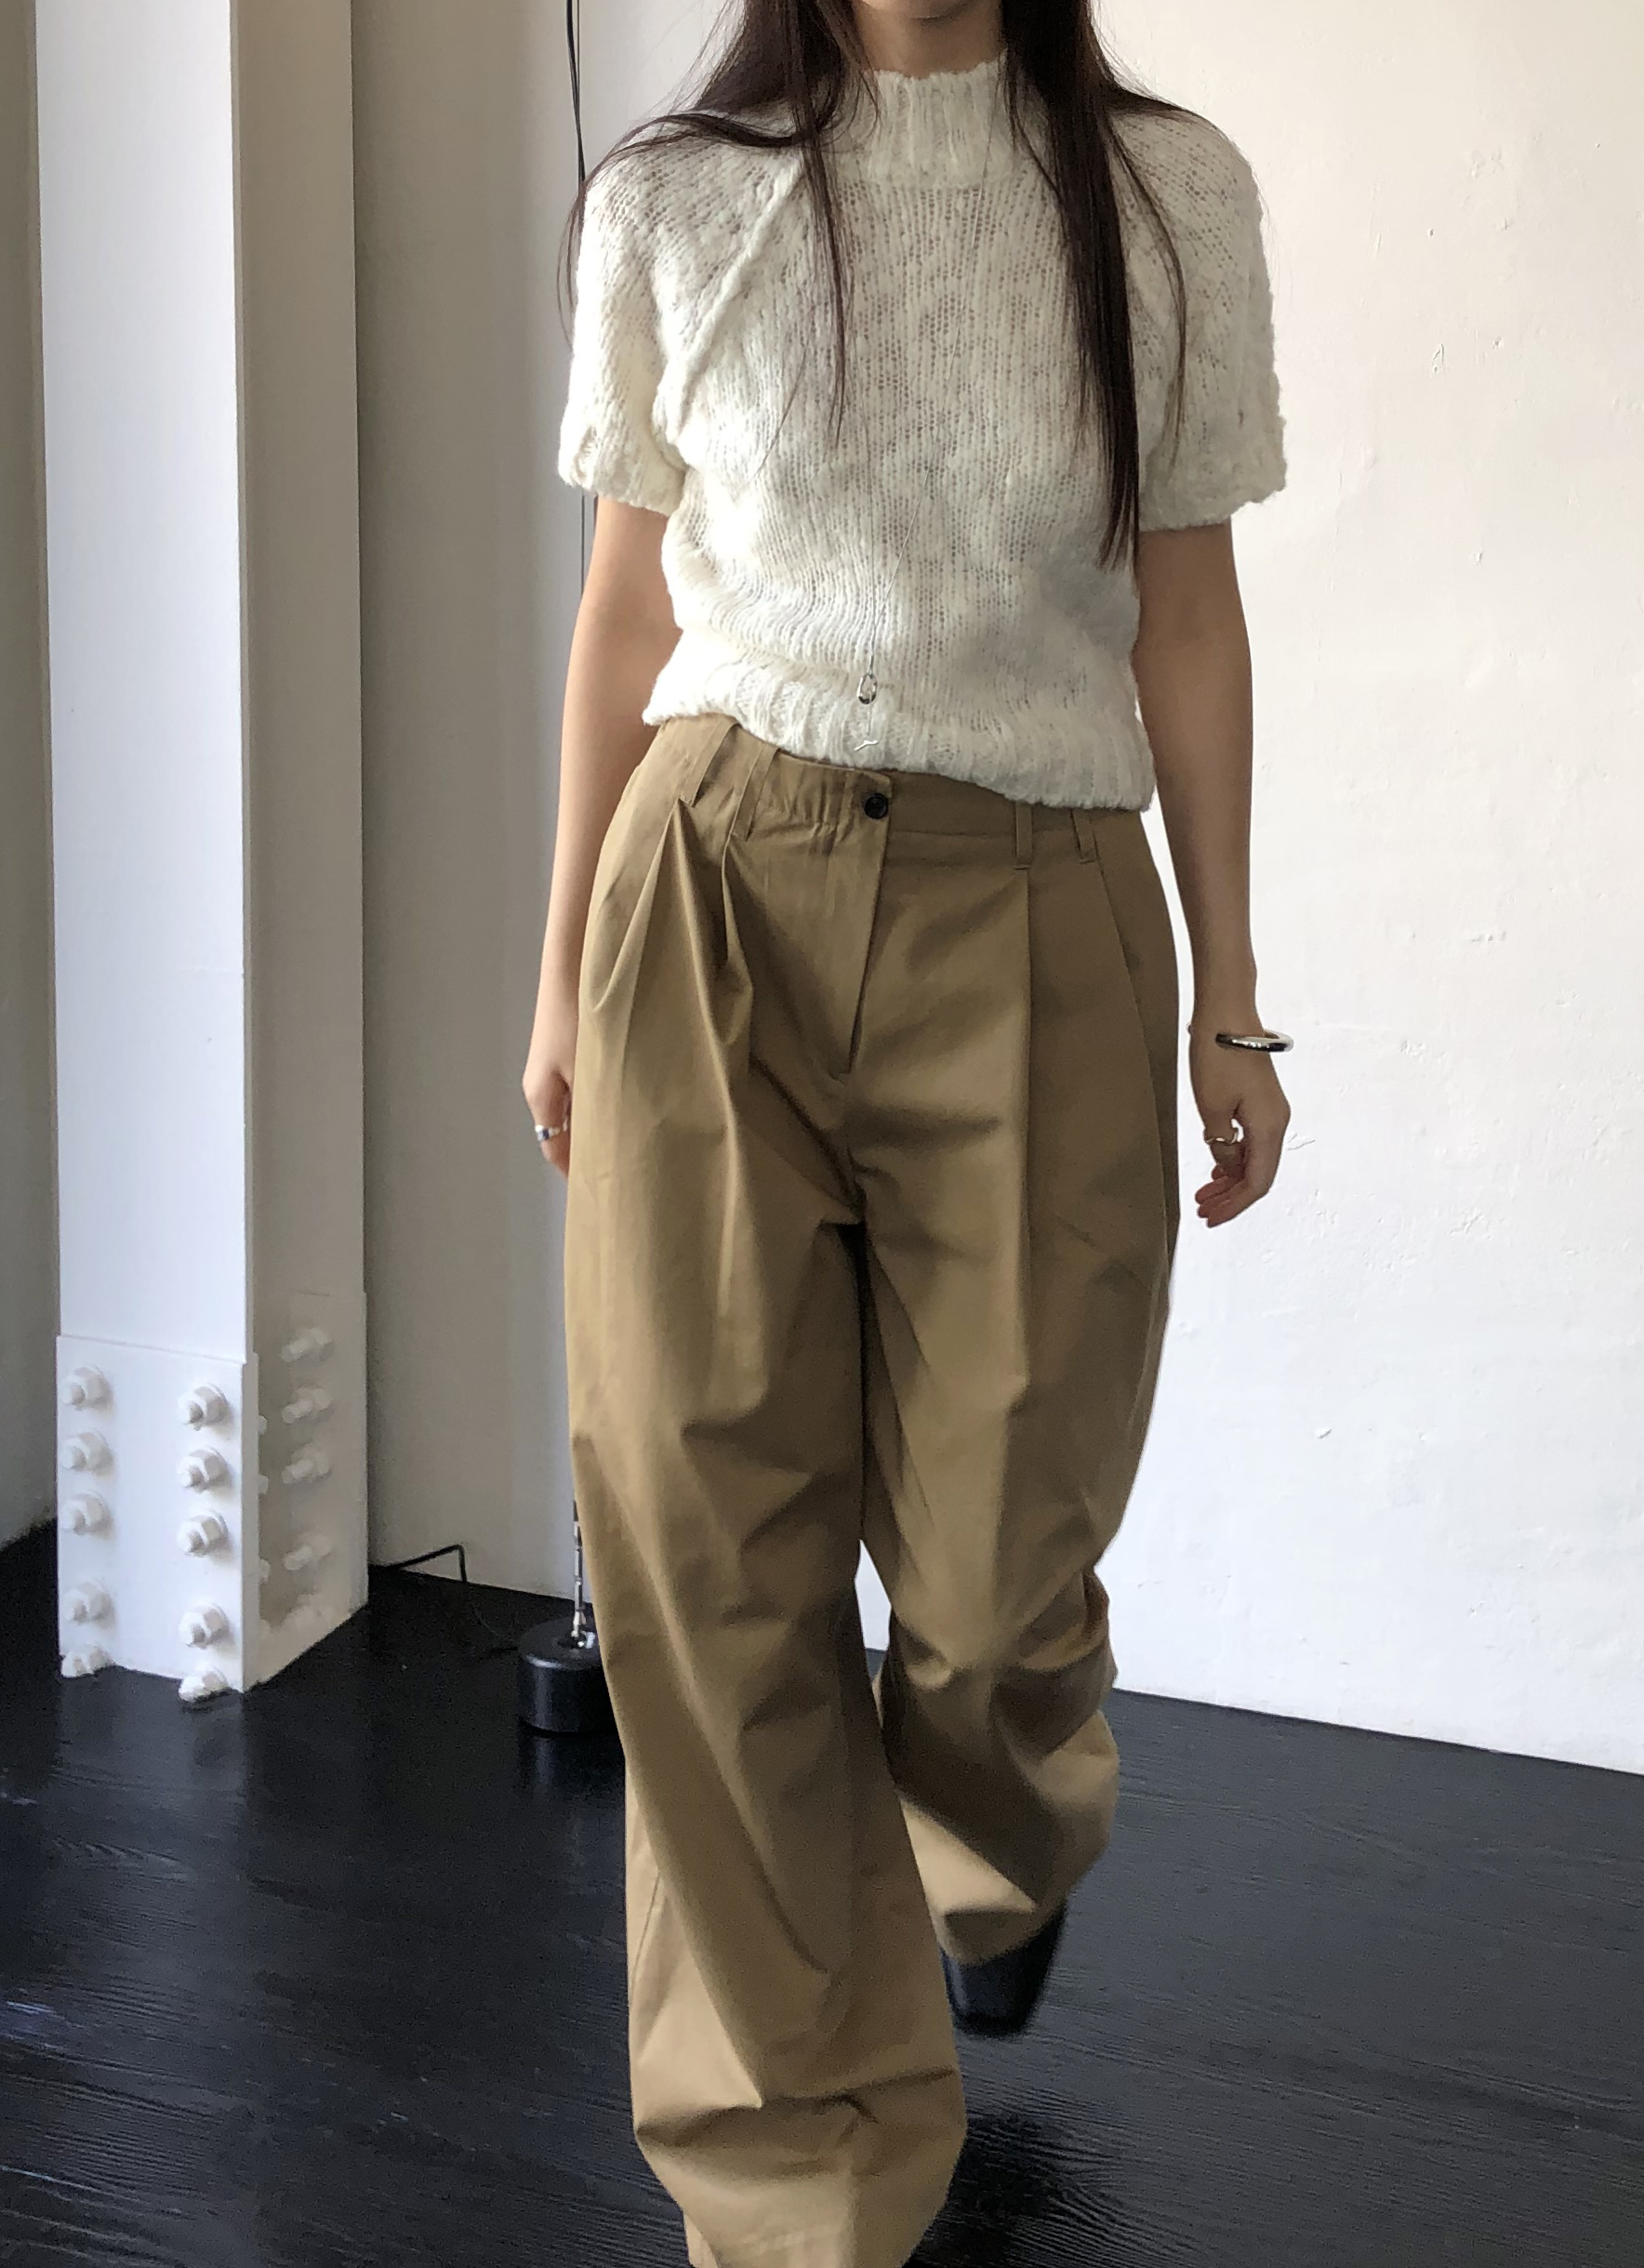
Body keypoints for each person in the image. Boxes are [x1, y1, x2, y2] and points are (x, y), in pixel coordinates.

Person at [524, 2, 1292, 2261]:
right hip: (715, 884)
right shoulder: (675, 199)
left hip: (1037, 899)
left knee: (998, 1576)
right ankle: (803, 2198)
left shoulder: (1168, 199)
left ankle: (999, 1836)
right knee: (704, 1558)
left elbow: (1189, 613)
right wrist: (559, 965)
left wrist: (1231, 990)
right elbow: (623, 607)